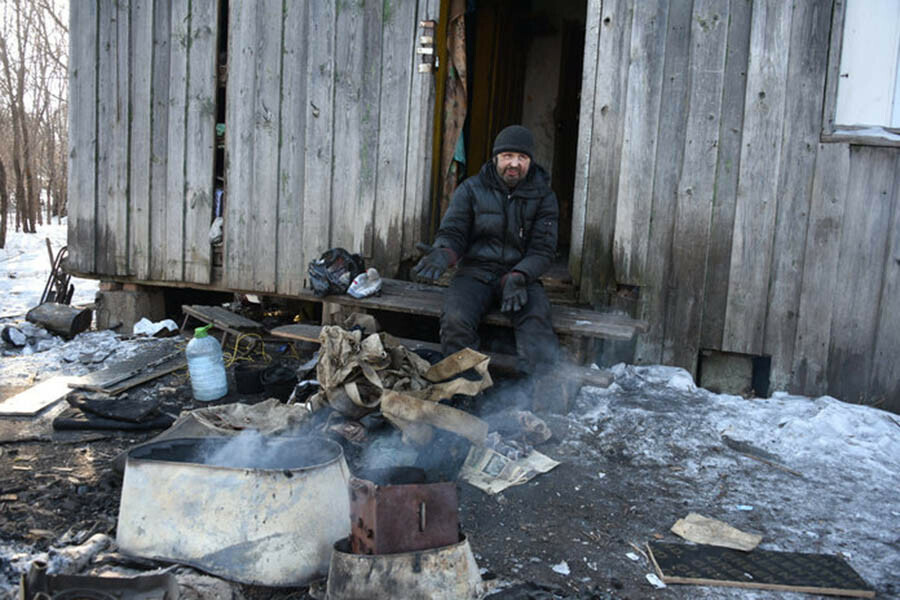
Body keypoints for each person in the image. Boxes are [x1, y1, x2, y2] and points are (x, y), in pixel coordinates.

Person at [414, 125, 560, 376]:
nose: (514, 164)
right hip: (475, 273)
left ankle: (538, 397)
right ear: (496, 158)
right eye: (507, 157)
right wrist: (444, 253)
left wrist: (520, 275)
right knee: (456, 320)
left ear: (530, 161)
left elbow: (543, 250)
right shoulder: (471, 189)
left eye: (521, 158)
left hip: (519, 275)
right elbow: (454, 232)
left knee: (537, 323)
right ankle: (465, 389)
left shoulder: (544, 196)